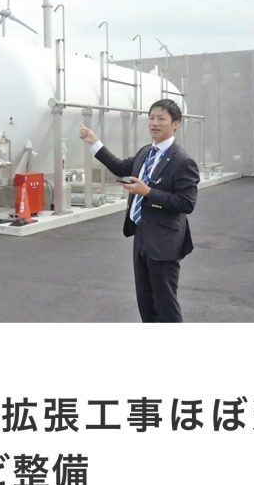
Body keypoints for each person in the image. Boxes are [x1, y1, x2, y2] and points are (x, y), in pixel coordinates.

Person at [79, 99, 199, 322]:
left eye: (161, 118)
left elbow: (186, 203)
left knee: (165, 304)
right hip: (141, 236)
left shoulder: (183, 161)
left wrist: (148, 192)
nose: (154, 123)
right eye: (151, 118)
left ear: (175, 124)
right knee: (145, 302)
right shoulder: (146, 152)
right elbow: (120, 166)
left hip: (164, 242)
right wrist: (94, 142)